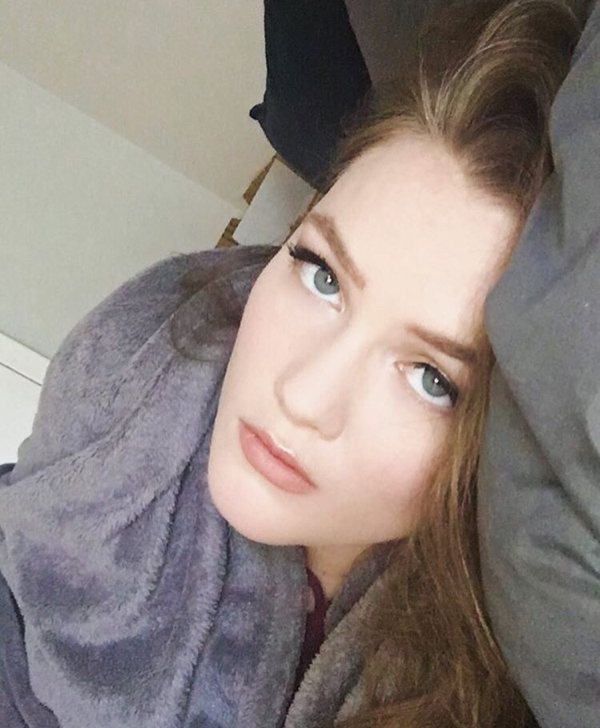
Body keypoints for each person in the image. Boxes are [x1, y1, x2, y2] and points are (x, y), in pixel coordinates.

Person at [0, 1, 582, 727]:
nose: (302, 396)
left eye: (431, 379)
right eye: (322, 275)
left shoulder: (512, 667)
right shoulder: (128, 370)